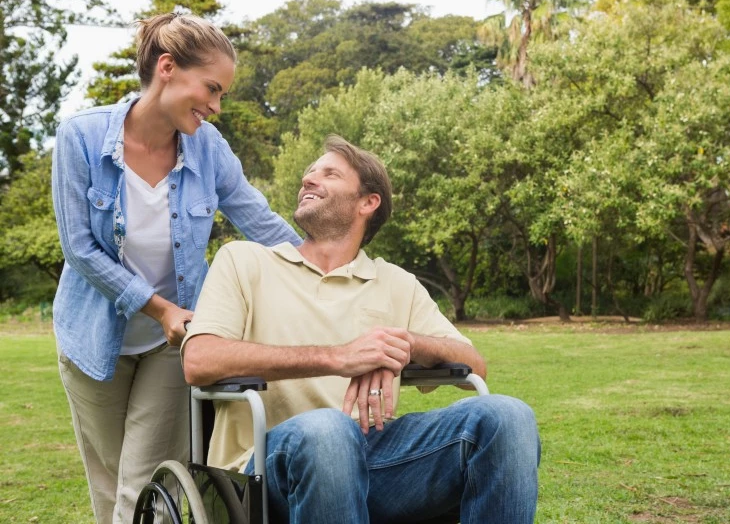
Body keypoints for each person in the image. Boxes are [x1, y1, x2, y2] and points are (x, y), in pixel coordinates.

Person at [182, 135, 541, 523]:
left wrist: (403, 343)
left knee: (508, 416)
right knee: (328, 431)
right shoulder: (244, 260)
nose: (308, 180)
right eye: (308, 174)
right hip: (264, 469)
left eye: (329, 173)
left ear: (368, 203)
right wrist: (339, 357)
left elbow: (474, 366)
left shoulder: (395, 282)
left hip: (377, 459)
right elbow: (200, 360)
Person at [51, 12, 302, 524]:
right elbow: (79, 248)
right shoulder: (80, 137)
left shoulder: (207, 148)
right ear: (167, 67)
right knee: (108, 487)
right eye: (211, 89)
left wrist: (324, 266)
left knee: (143, 482)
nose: (215, 107)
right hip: (90, 337)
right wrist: (157, 305)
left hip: (174, 340)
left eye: (222, 95)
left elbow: (258, 218)